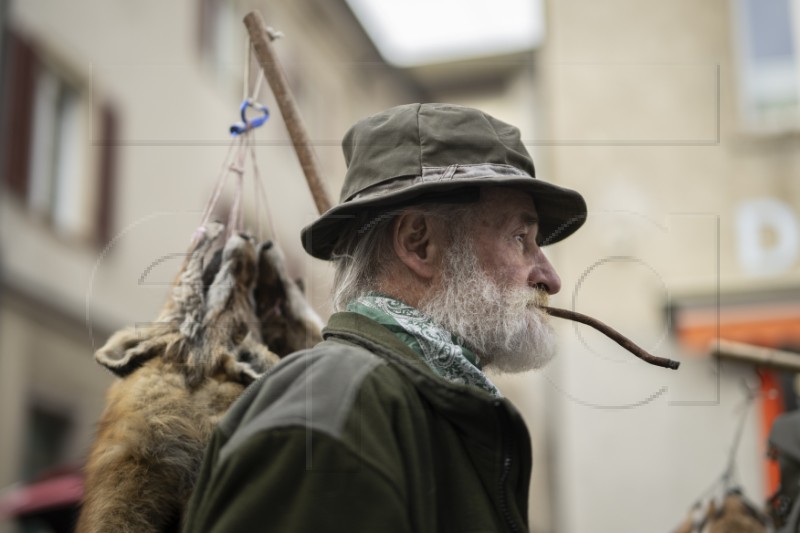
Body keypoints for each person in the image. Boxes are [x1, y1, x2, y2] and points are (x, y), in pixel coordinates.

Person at [182, 102, 587, 532]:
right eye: (520, 237)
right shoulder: (337, 409)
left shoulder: (422, 406)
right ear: (419, 244)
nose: (550, 277)